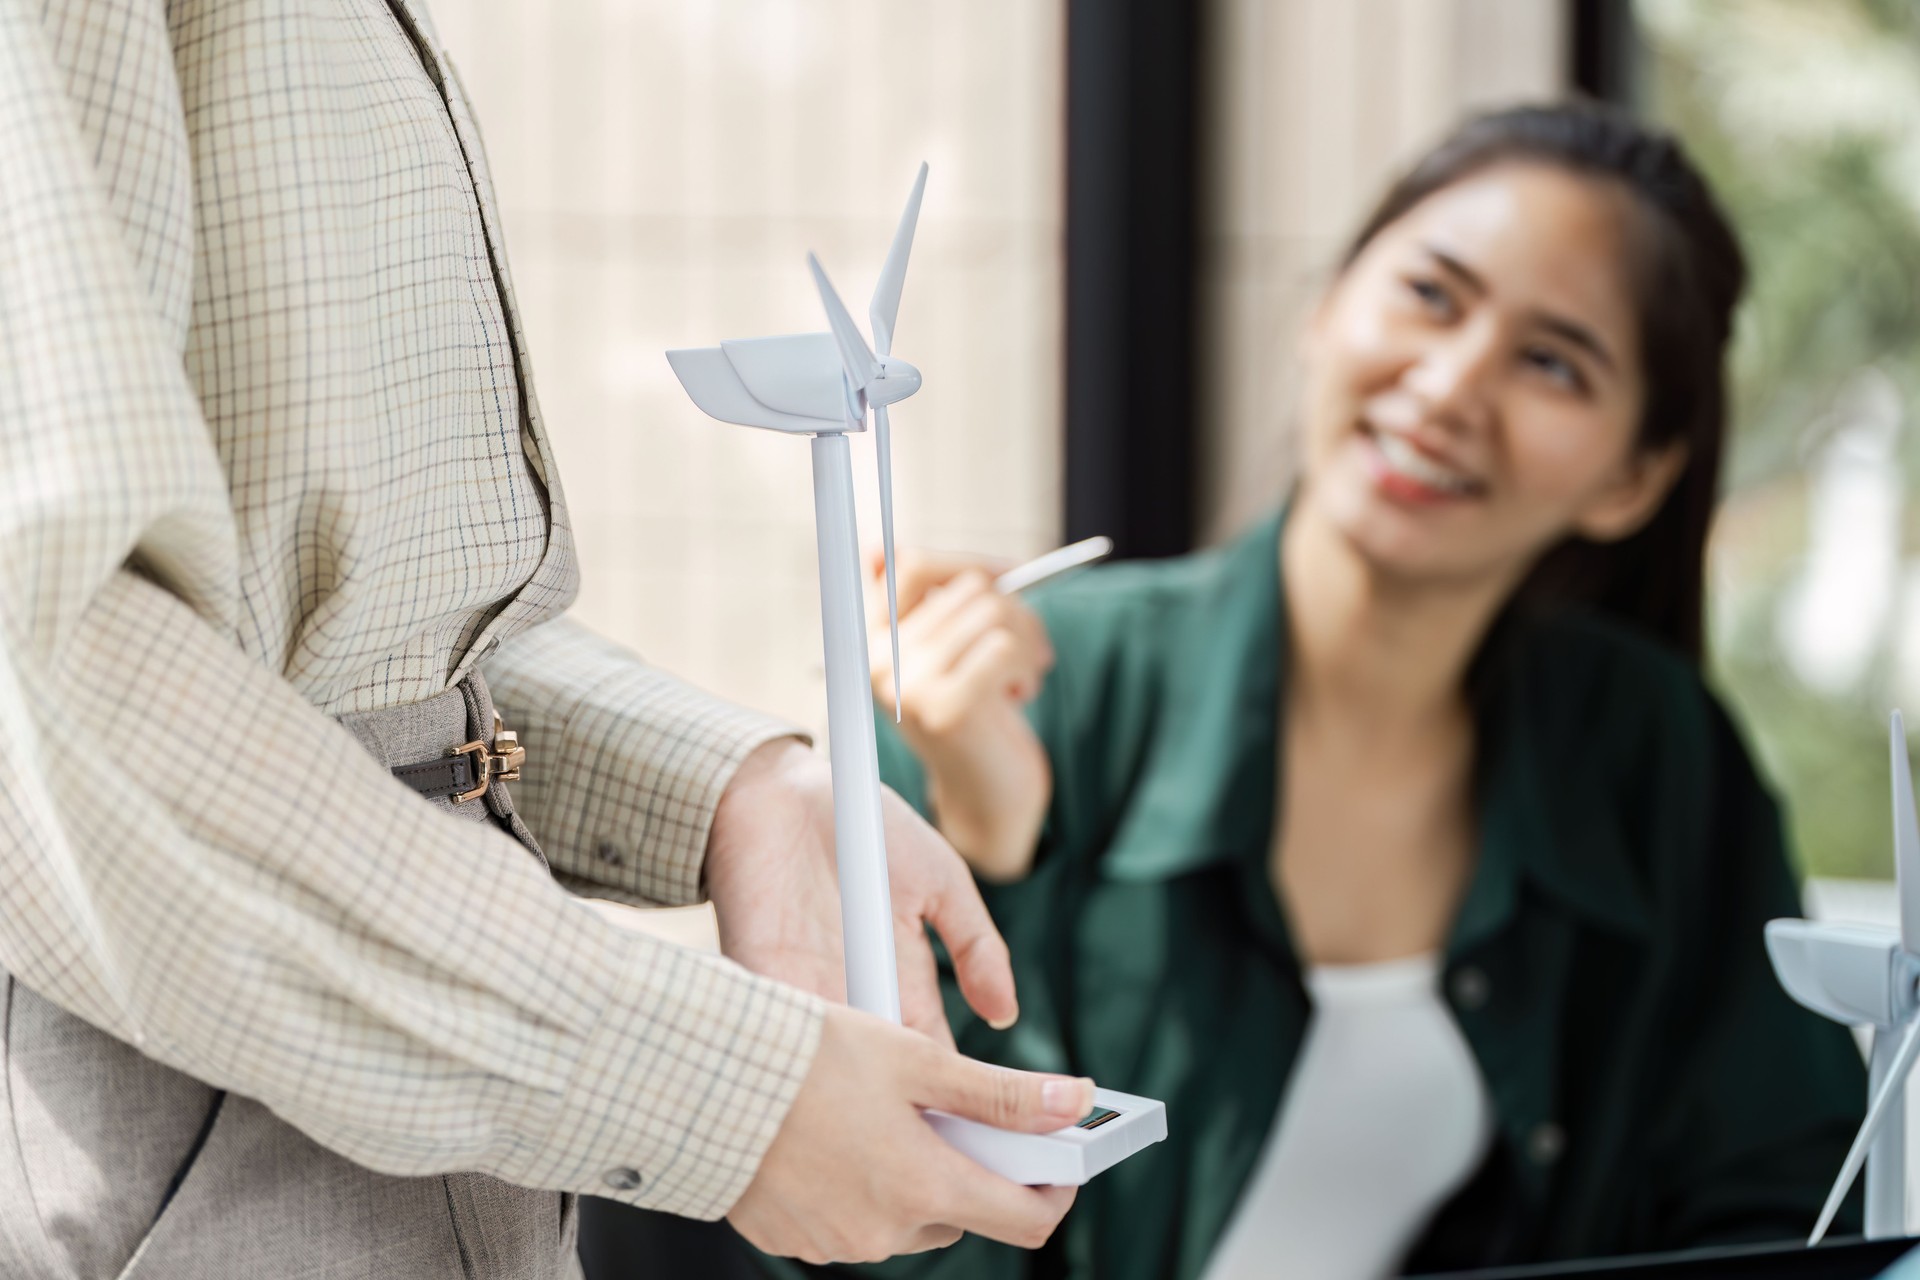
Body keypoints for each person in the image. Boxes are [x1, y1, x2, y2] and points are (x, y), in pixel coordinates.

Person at [0, 1, 1089, 1275]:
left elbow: (331, 634)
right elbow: (48, 688)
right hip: (208, 1154)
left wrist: (733, 786)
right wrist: (723, 1092)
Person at [807, 102, 1866, 1279]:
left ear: (1633, 476)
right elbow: (853, 1234)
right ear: (1327, 306)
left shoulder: (1650, 753)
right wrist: (997, 855)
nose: (1453, 384)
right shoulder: (1011, 695)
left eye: (1554, 361)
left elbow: (1779, 1205)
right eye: (1432, 295)